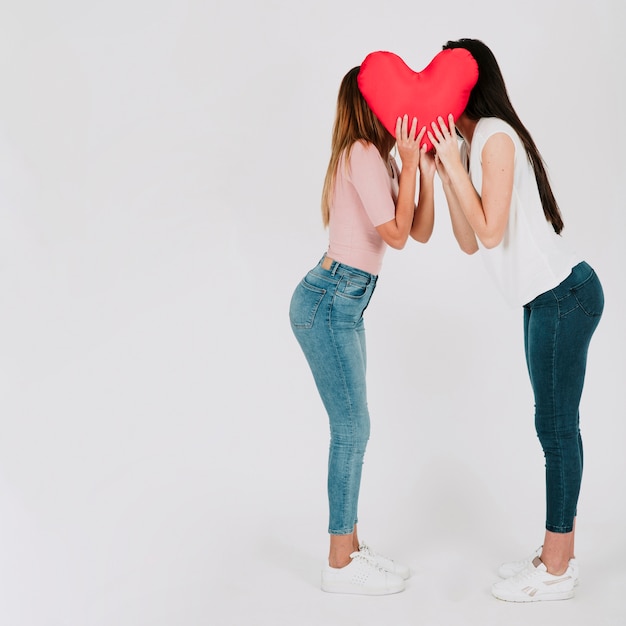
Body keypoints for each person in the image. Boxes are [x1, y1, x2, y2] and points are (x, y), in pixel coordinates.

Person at [427, 38, 604, 602]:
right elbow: (465, 238)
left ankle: (557, 568)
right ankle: (554, 553)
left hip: (562, 295)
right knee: (553, 426)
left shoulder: (495, 137)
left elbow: (490, 230)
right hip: (544, 299)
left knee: (555, 430)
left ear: (464, 86)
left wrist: (457, 166)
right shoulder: (476, 141)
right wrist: (444, 170)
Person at [289, 66, 435, 595]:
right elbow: (395, 236)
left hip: (342, 302)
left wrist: (424, 169)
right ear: (370, 101)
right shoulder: (361, 152)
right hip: (330, 300)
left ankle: (349, 549)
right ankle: (339, 563)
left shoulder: (381, 157)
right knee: (352, 429)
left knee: (354, 426)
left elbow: (417, 229)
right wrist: (410, 164)